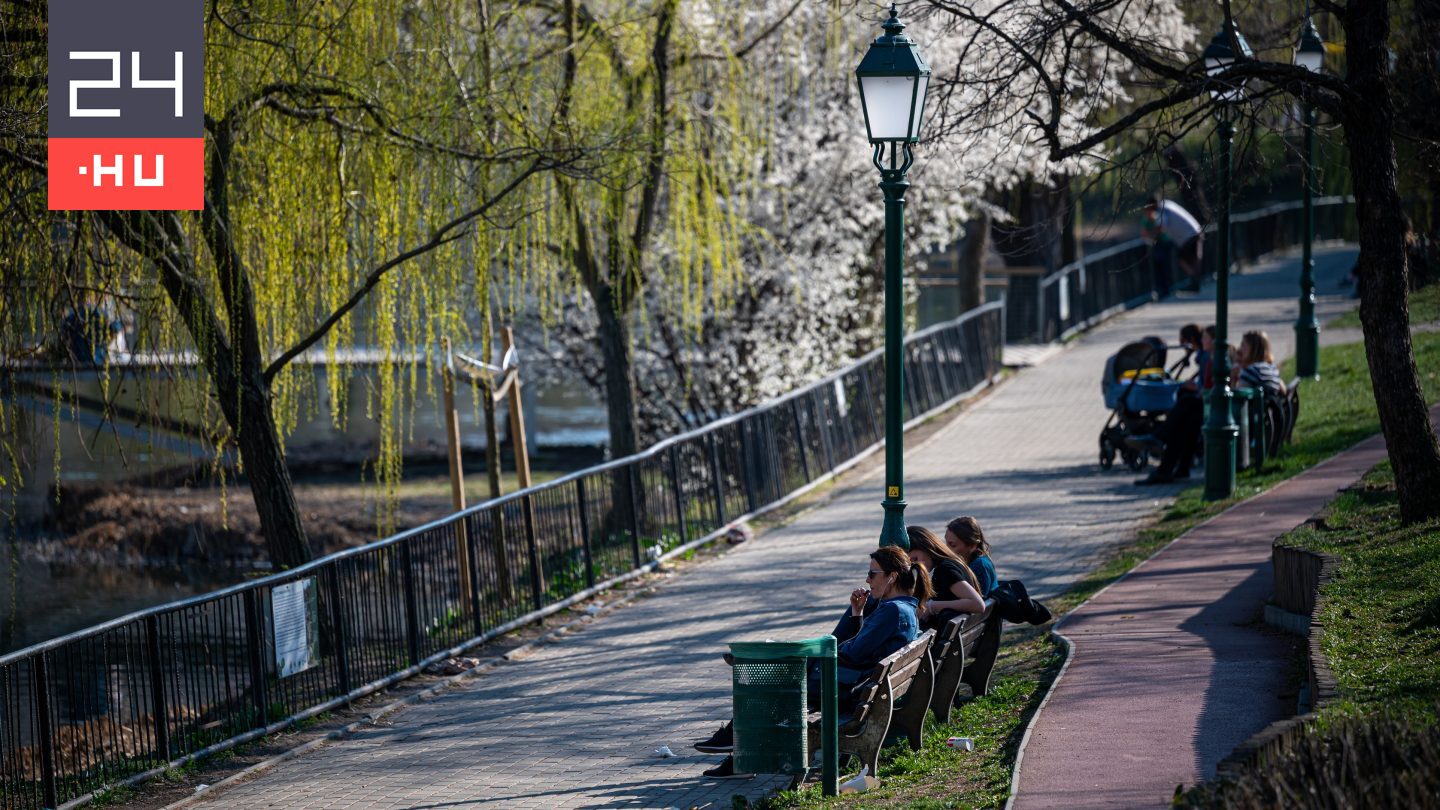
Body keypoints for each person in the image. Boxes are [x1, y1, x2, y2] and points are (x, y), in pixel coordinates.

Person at [695, 546, 932, 778]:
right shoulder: (903, 609)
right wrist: (856, 613)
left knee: (770, 685)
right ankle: (737, 752)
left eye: (872, 574)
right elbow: (859, 647)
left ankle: (735, 744)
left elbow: (854, 651)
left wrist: (832, 648)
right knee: (775, 682)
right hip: (859, 686)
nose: (868, 580)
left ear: (891, 577)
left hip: (845, 688)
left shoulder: (893, 611)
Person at [1136, 324, 1209, 485]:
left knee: (1185, 409)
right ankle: (1177, 468)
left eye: (1205, 338)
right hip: (1205, 405)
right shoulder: (1206, 358)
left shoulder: (1208, 358)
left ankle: (1160, 439)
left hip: (1210, 405)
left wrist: (1195, 388)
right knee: (1186, 424)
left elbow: (1208, 387)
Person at [906, 526, 984, 630]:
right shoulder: (951, 563)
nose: (916, 565)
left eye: (915, 559)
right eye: (911, 564)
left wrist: (931, 607)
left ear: (927, 547)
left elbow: (978, 604)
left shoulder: (945, 569)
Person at [944, 516, 997, 598]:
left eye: (952, 545)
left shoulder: (980, 565)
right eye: (946, 543)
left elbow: (977, 602)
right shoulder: (967, 561)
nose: (947, 549)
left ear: (972, 544)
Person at [1233, 330, 1286, 398]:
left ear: (1253, 348)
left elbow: (1237, 398)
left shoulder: (1250, 372)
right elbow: (1284, 391)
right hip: (1270, 407)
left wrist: (1233, 380)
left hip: (1255, 408)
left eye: (1243, 345)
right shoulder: (1272, 369)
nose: (1240, 349)